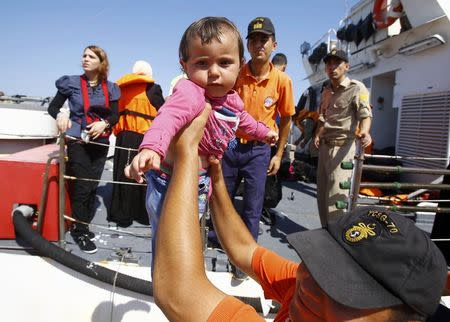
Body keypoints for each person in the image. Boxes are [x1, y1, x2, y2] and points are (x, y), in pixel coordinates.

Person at [152, 107, 448, 322]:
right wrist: (216, 178)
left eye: (346, 291)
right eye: (322, 262)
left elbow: (177, 292)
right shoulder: (301, 284)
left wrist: (187, 153)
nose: (310, 283)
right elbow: (245, 249)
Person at [126, 17, 278, 270]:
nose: (215, 72)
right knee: (167, 244)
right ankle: (163, 281)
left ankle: (178, 277)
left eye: (225, 62)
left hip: (200, 182)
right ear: (184, 66)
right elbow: (168, 118)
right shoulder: (190, 93)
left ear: (240, 65)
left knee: (184, 242)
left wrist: (265, 133)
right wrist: (152, 147)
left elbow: (244, 122)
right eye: (202, 63)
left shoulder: (232, 102)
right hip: (170, 182)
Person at [219, 17, 295, 278]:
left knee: (253, 207)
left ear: (274, 44)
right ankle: (222, 240)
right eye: (253, 39)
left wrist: (280, 154)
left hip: (260, 151)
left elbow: (286, 118)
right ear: (247, 45)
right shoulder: (236, 72)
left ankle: (245, 258)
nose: (258, 44)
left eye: (264, 39)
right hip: (229, 146)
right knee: (221, 200)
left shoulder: (282, 81)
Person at [47, 45, 120, 253]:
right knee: (81, 184)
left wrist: (104, 124)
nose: (85, 59)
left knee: (92, 185)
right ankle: (80, 231)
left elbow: (115, 115)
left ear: (101, 62)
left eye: (91, 56)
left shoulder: (111, 88)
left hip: (100, 142)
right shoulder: (70, 83)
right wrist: (61, 114)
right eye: (84, 55)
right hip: (77, 140)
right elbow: (53, 107)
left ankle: (83, 224)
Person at [313, 48, 372, 227]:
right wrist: (318, 133)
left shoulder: (356, 87)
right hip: (324, 147)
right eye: (329, 64)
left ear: (346, 66)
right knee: (322, 195)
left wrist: (365, 131)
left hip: (342, 149)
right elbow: (324, 116)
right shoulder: (326, 90)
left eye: (337, 63)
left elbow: (365, 114)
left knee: (336, 197)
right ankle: (326, 232)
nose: (332, 67)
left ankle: (336, 240)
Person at [107, 60, 164, 228]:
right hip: (144, 137)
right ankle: (142, 215)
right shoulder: (153, 89)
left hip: (123, 136)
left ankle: (121, 216)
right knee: (143, 174)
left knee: (121, 174)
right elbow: (163, 110)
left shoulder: (120, 89)